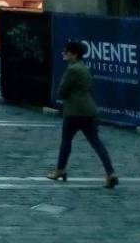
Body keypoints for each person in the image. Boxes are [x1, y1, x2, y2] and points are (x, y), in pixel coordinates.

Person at [47, 39, 119, 188]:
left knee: (66, 142)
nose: (63, 53)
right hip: (89, 111)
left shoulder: (72, 70)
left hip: (74, 112)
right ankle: (110, 172)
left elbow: (62, 90)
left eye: (66, 51)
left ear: (74, 54)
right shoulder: (84, 68)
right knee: (97, 143)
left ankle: (60, 170)